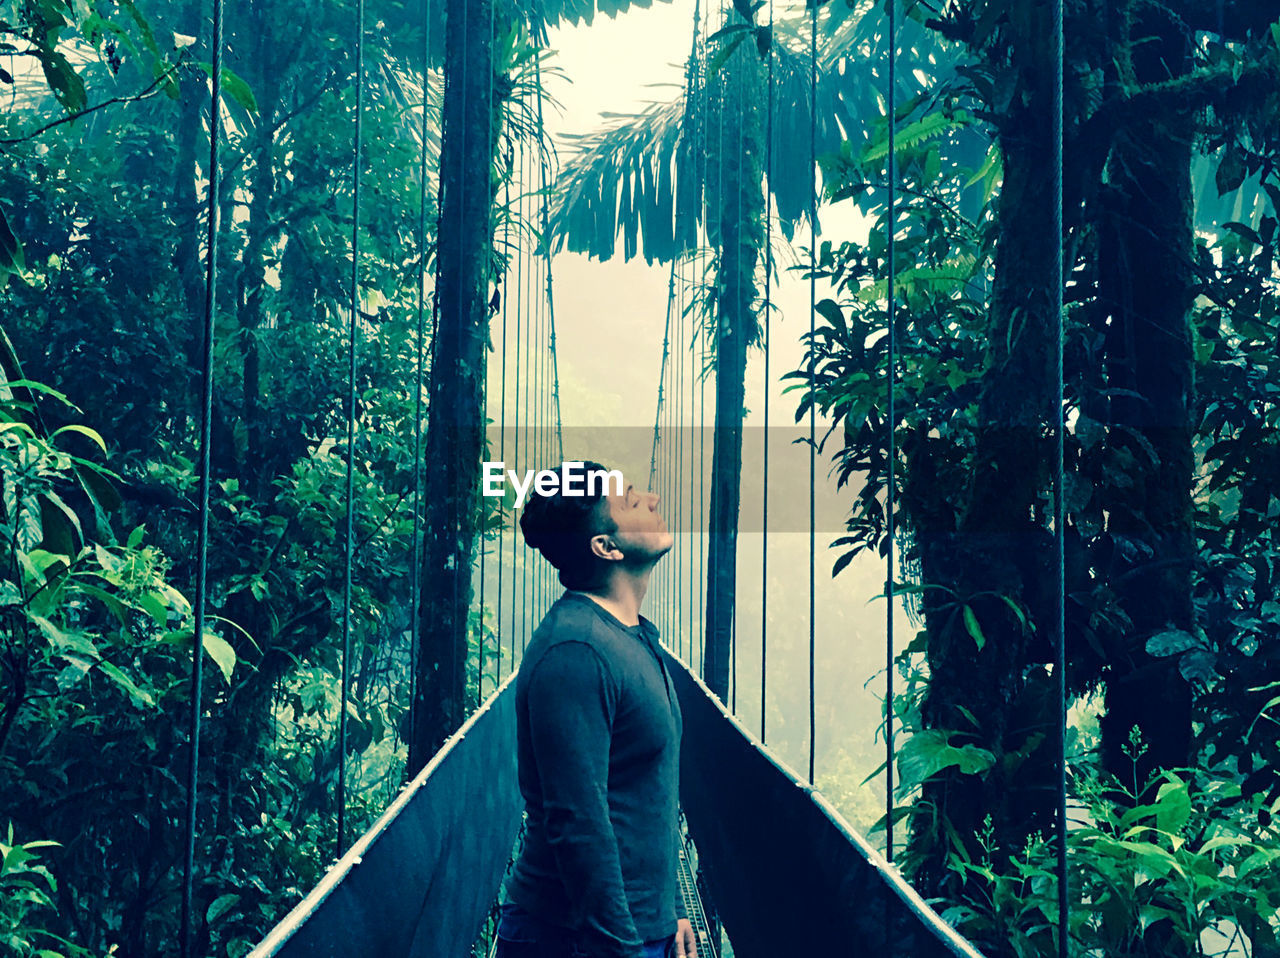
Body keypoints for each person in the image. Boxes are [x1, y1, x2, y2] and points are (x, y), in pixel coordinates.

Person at [495, 461, 698, 958]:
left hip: (634, 930)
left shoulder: (630, 636)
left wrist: (670, 905)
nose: (651, 499)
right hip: (578, 940)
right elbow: (578, 822)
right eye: (629, 500)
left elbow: (647, 789)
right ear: (605, 547)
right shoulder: (576, 651)